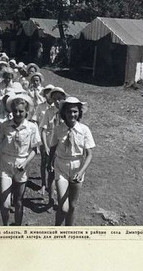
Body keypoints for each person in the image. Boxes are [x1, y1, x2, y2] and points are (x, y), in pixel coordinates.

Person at [0, 94, 41, 226]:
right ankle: (5, 227)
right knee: (5, 204)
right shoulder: (5, 126)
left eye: (21, 111)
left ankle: (17, 227)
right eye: (15, 111)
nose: (17, 114)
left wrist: (25, 163)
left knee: (19, 201)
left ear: (26, 112)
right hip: (6, 164)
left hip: (22, 166)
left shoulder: (32, 127)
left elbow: (35, 150)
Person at [49, 96, 94, 226]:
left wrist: (81, 172)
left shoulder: (84, 130)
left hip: (77, 168)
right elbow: (53, 147)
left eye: (75, 111)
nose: (72, 114)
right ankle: (57, 230)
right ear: (64, 113)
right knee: (63, 207)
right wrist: (49, 163)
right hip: (61, 167)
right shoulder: (58, 129)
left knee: (72, 206)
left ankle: (69, 232)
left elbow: (89, 154)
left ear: (79, 113)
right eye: (69, 111)